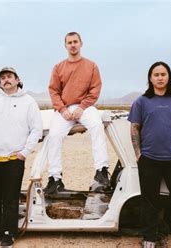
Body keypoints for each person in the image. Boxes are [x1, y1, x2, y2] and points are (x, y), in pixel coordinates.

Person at [129, 62, 171, 248]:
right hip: (149, 159)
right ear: (150, 78)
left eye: (163, 74)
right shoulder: (141, 101)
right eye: (156, 74)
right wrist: (138, 154)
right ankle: (149, 238)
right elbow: (134, 127)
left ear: (169, 77)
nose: (160, 77)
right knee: (149, 200)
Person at [0, 67, 43, 248]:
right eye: (2, 78)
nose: (6, 80)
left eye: (9, 77)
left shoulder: (28, 102)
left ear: (17, 79)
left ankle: (8, 234)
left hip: (13, 160)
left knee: (11, 198)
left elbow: (36, 129)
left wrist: (23, 152)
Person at [44, 32, 110, 194]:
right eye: (69, 42)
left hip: (85, 107)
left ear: (81, 44)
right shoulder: (58, 67)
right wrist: (62, 109)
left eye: (75, 42)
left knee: (96, 125)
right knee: (54, 136)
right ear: (65, 46)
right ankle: (55, 178)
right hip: (65, 109)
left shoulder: (91, 65)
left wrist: (82, 107)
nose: (72, 45)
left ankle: (101, 170)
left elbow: (95, 89)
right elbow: (53, 91)